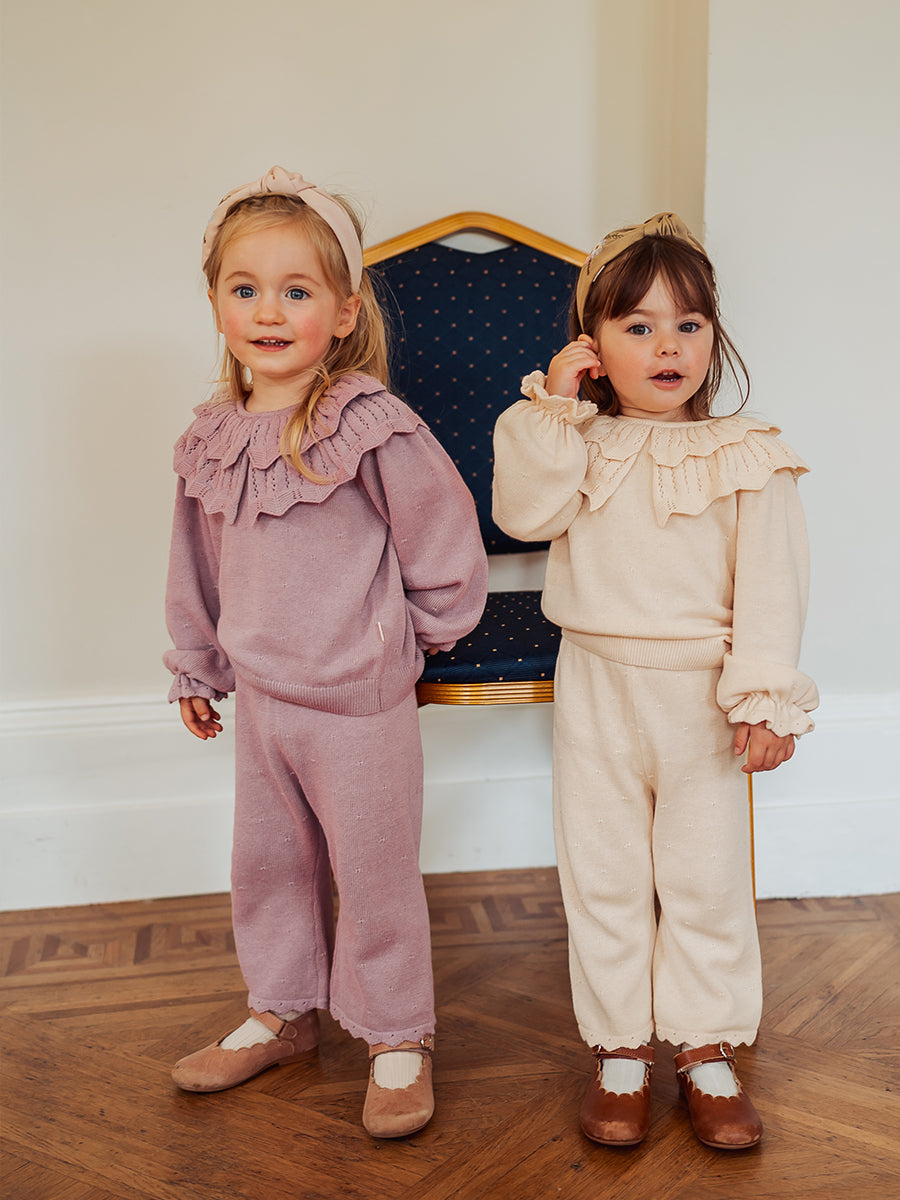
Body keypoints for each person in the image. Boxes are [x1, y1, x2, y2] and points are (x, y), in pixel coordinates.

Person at [164, 167, 488, 1138]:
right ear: (217, 303)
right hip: (264, 697)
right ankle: (282, 1009)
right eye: (246, 288)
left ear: (343, 312)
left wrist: (415, 638)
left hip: (358, 700)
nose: (269, 311)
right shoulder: (212, 438)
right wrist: (196, 663)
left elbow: (443, 536)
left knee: (375, 874)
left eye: (296, 290)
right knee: (268, 864)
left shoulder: (366, 424)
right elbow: (195, 564)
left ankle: (396, 1034)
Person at [492, 213, 817, 1150]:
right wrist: (558, 409)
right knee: (603, 873)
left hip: (700, 700)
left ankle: (706, 1046)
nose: (667, 346)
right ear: (593, 345)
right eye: (638, 326)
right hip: (594, 686)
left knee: (704, 877)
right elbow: (524, 515)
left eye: (688, 324)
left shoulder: (746, 453)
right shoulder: (572, 440)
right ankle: (620, 1048)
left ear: (714, 337)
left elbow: (773, 585)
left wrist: (764, 698)